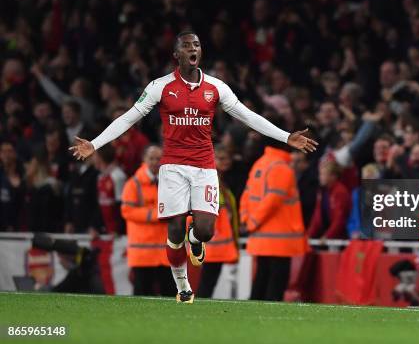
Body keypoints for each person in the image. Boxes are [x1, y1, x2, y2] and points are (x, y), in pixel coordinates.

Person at [69, 31, 318, 303]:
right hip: (173, 167)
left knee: (205, 230)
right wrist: (95, 143)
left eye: (197, 45)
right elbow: (129, 117)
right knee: (174, 230)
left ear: (201, 52)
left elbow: (248, 116)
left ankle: (195, 237)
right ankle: (183, 285)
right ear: (176, 54)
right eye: (187, 45)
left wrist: (285, 136)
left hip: (204, 166)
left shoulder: (216, 88)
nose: (193, 49)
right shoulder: (159, 87)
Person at [240, 115, 309, 301]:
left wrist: (246, 220)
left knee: (260, 284)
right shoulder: (282, 168)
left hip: (262, 238)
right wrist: (253, 222)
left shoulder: (260, 164)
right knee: (273, 291)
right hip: (279, 241)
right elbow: (272, 201)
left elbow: (246, 195)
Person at [121, 145, 174, 296]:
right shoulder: (133, 184)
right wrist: (155, 215)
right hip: (143, 254)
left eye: (159, 159)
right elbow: (127, 211)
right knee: (142, 295)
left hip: (165, 253)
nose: (155, 162)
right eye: (151, 158)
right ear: (144, 160)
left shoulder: (170, 182)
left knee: (170, 295)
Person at [196, 147, 239, 298]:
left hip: (218, 242)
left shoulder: (221, 182)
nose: (225, 161)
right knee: (207, 283)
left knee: (210, 282)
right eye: (220, 158)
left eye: (226, 158)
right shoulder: (207, 181)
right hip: (212, 241)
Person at [307, 159, 351, 239]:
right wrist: (308, 236)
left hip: (340, 236)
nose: (320, 177)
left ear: (333, 176)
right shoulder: (322, 192)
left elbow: (339, 219)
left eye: (323, 174)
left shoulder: (340, 192)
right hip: (327, 234)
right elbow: (316, 218)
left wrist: (327, 236)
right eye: (320, 174)